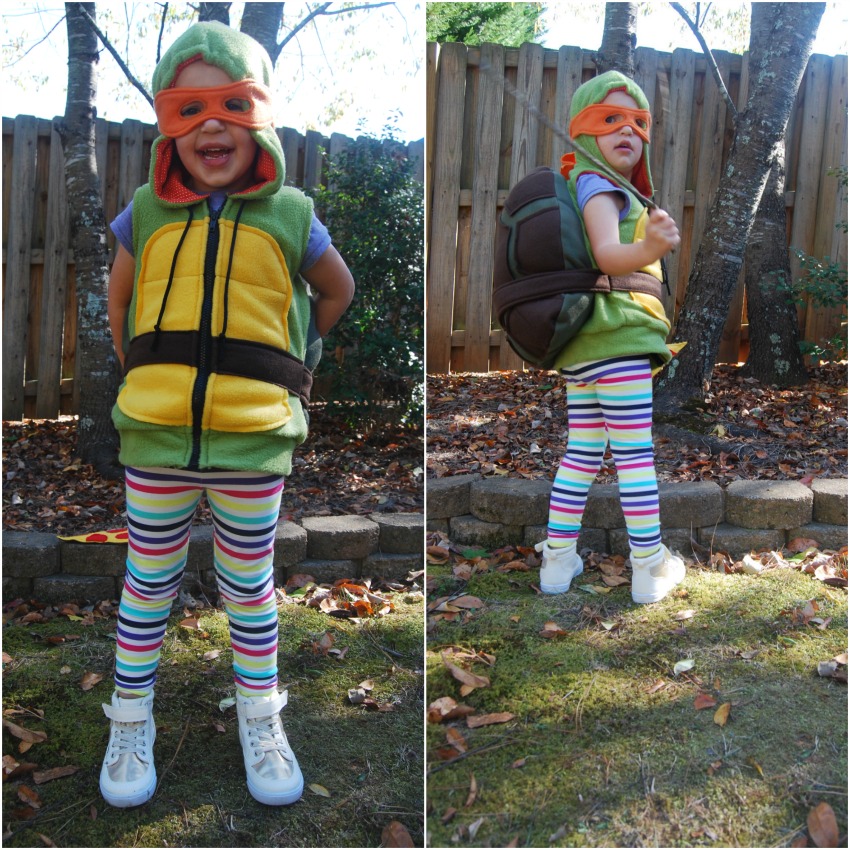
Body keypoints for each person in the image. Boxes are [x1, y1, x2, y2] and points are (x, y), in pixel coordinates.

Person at [100, 22, 354, 808]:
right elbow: (119, 300)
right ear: (167, 126)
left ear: (260, 116)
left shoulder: (291, 214)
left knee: (249, 588)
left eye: (231, 106)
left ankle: (261, 718)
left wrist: (295, 360)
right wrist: (145, 373)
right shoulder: (144, 212)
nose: (212, 127)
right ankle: (129, 720)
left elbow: (336, 289)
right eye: (190, 109)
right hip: (156, 440)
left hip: (253, 440)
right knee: (148, 582)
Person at [536, 70, 686, 605]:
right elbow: (607, 255)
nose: (627, 130)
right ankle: (649, 566)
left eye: (637, 122)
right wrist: (650, 248)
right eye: (610, 119)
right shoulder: (599, 185)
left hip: (585, 351)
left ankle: (558, 561)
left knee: (581, 452)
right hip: (619, 344)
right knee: (633, 455)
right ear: (583, 131)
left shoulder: (588, 183)